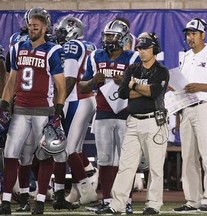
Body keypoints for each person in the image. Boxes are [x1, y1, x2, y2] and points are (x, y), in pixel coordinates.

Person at [0, 13, 66, 215]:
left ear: (45, 28)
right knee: (11, 154)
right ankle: (6, 201)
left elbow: (60, 85)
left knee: (46, 155)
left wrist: (59, 107)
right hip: (20, 109)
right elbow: (12, 79)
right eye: (30, 26)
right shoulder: (18, 48)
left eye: (36, 26)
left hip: (42, 111)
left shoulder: (53, 50)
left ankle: (39, 200)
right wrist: (4, 101)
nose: (32, 29)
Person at [97, 32, 169, 215]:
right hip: (133, 121)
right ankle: (117, 204)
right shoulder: (132, 69)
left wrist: (134, 86)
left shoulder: (161, 71)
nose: (142, 51)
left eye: (146, 48)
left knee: (155, 167)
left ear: (155, 50)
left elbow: (154, 92)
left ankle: (153, 204)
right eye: (139, 48)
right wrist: (139, 89)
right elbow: (122, 93)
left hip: (154, 122)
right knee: (126, 165)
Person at [79, 20, 140, 214]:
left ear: (122, 37)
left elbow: (142, 84)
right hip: (104, 112)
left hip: (125, 114)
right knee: (104, 160)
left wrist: (126, 82)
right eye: (106, 36)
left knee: (125, 161)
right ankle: (107, 200)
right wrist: (91, 82)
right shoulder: (96, 56)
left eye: (112, 36)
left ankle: (126, 201)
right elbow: (82, 85)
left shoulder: (133, 58)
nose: (108, 39)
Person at [173, 18, 207, 213]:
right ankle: (192, 200)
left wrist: (200, 86)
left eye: (194, 34)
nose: (190, 37)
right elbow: (182, 87)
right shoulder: (186, 56)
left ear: (203, 35)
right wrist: (178, 114)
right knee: (188, 157)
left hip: (205, 107)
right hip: (186, 109)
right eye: (188, 34)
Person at [52, 15, 97, 209]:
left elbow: (70, 79)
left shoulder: (72, 46)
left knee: (69, 149)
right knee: (75, 149)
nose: (58, 35)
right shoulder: (86, 45)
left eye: (62, 31)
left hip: (76, 99)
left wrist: (58, 102)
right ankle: (77, 191)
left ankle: (87, 190)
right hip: (84, 99)